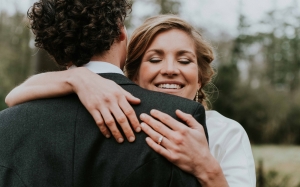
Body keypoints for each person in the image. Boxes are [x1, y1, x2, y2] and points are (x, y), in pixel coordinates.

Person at [5, 15, 255, 187]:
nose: (170, 69)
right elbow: (13, 97)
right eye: (155, 59)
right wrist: (77, 78)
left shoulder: (227, 133)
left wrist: (206, 167)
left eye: (184, 60)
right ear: (133, 74)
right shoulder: (116, 109)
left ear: (200, 78)